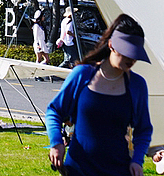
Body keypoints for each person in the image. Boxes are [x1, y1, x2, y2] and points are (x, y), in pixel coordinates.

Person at [45, 13, 154, 176]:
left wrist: (137, 161)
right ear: (111, 45)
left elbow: (143, 129)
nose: (132, 59)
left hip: (118, 169)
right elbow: (54, 111)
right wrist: (56, 142)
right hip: (78, 169)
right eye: (127, 52)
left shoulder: (137, 85)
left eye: (135, 54)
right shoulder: (82, 74)